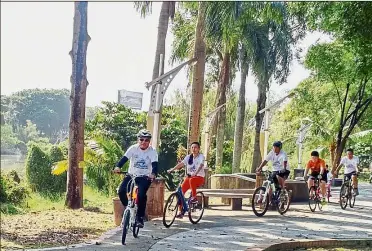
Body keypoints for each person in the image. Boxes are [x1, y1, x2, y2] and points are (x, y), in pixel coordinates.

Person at [113, 129, 158, 228]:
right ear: (138, 140)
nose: (143, 142)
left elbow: (155, 165)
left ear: (149, 141)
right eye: (141, 139)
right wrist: (117, 167)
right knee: (121, 191)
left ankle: (140, 217)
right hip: (131, 175)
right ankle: (128, 208)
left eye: (146, 140)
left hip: (144, 177)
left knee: (141, 195)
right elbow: (124, 159)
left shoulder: (152, 151)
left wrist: (153, 174)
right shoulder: (133, 148)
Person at [167, 142, 205, 218]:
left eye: (195, 147)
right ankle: (181, 211)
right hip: (189, 178)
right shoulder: (188, 157)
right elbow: (181, 164)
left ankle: (194, 198)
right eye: (192, 148)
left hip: (199, 178)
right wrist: (172, 169)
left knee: (191, 180)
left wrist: (196, 173)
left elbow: (201, 165)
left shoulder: (201, 157)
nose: (194, 149)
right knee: (180, 193)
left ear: (199, 149)